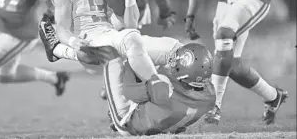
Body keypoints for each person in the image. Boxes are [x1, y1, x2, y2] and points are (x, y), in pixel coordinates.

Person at [38, 16, 215, 135]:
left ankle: (57, 50)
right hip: (165, 115)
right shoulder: (208, 93)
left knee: (110, 54)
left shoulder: (165, 90)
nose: (173, 64)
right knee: (159, 54)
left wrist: (132, 55)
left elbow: (133, 90)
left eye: (177, 65)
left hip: (128, 122)